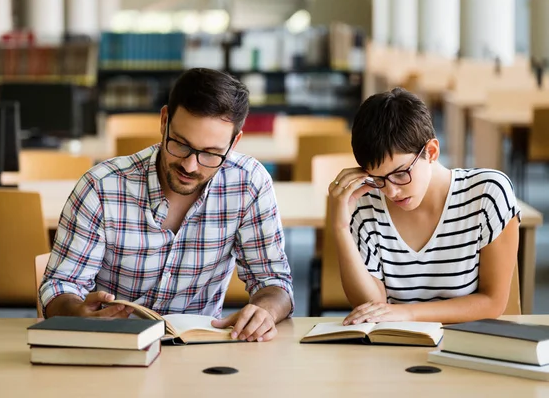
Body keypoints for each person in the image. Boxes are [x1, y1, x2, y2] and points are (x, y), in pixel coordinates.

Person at [40, 68, 294, 342]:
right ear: (164, 122)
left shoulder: (249, 183)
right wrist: (76, 314)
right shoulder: (101, 186)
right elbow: (60, 286)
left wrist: (264, 310)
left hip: (200, 350)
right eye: (180, 144)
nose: (189, 165)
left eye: (211, 153)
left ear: (235, 143)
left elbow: (274, 282)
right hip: (115, 345)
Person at [329, 87, 520, 325]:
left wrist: (409, 313)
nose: (391, 191)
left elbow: (493, 302)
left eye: (400, 174)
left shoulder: (488, 193)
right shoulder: (367, 203)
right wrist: (340, 227)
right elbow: (370, 307)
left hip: (469, 348)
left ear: (431, 151)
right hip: (393, 347)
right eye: (378, 179)